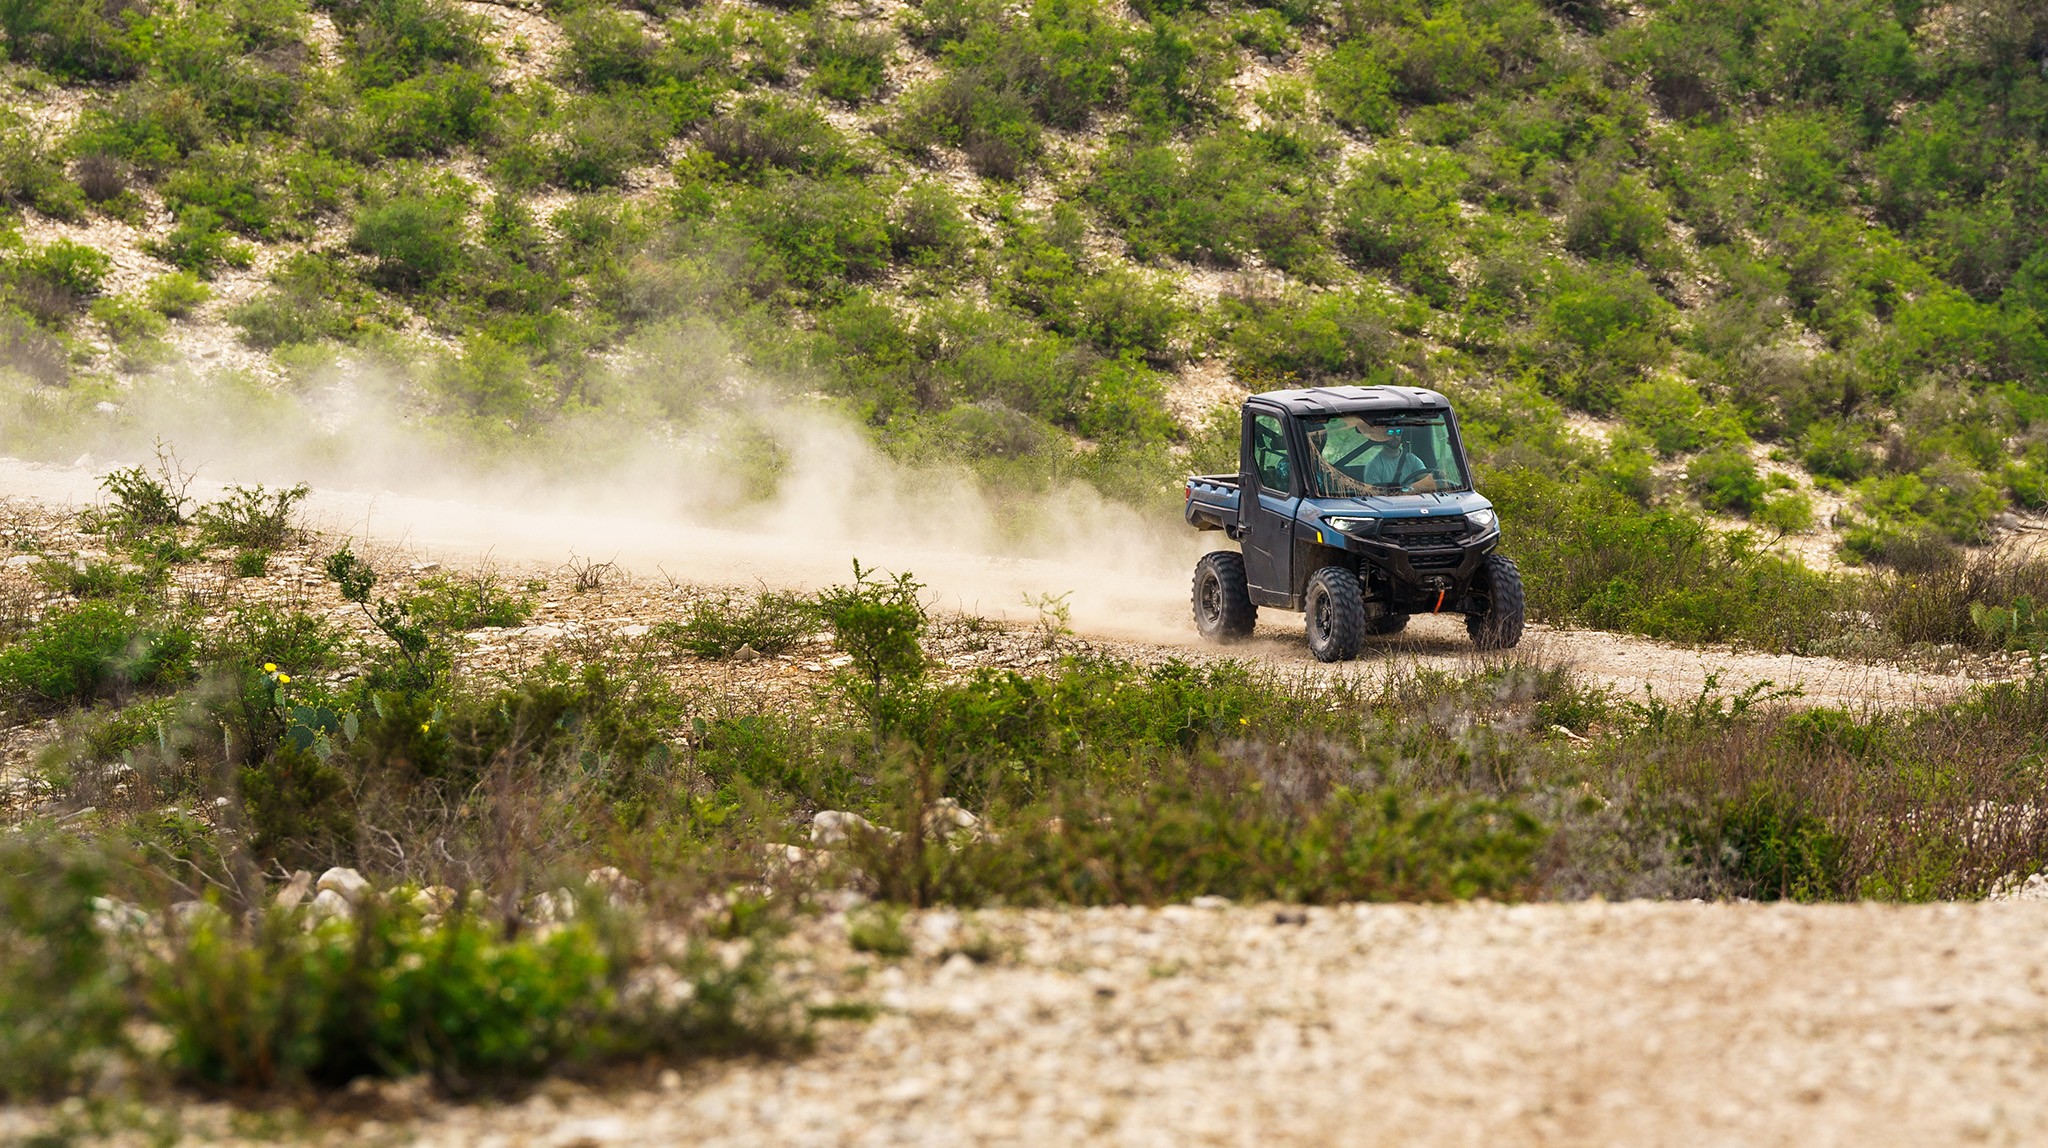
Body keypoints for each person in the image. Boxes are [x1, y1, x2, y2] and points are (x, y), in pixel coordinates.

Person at [1314, 416, 1439, 494]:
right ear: (1383, 437)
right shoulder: (1374, 465)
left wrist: (1434, 480)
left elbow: (1427, 482)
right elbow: (1374, 494)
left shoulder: (1412, 460)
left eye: (1398, 432)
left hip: (1412, 503)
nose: (1395, 436)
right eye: (1390, 432)